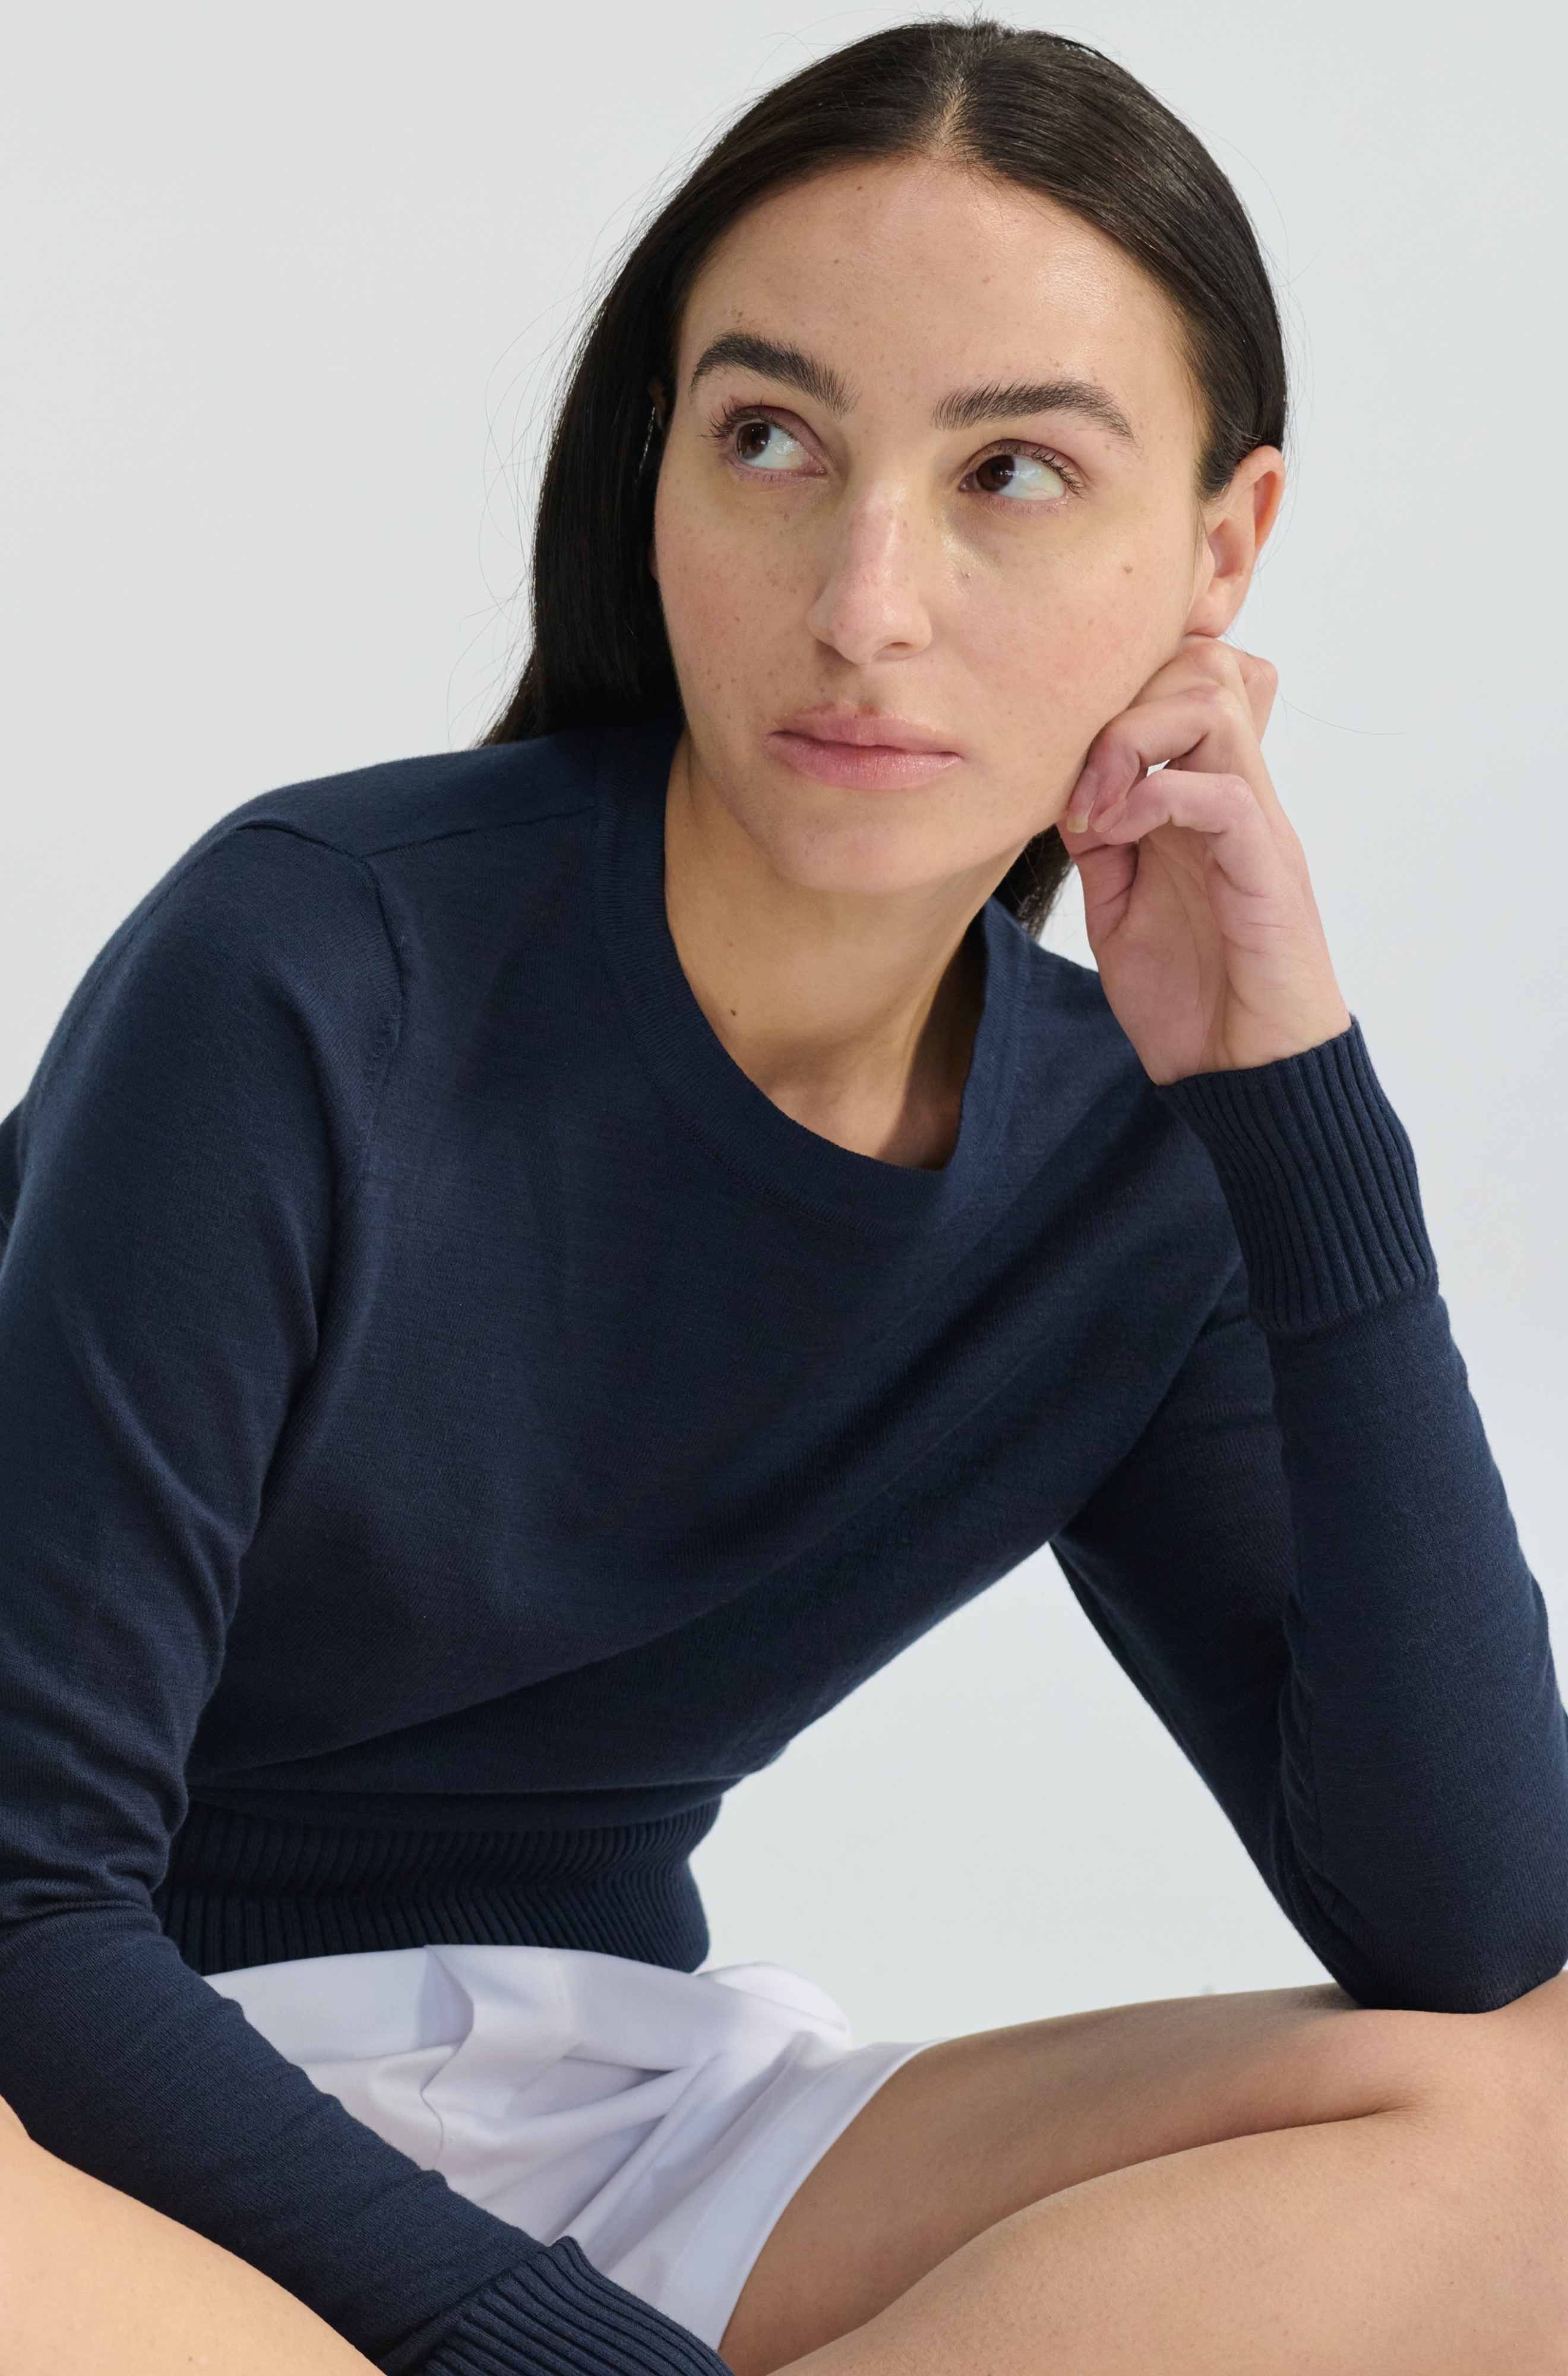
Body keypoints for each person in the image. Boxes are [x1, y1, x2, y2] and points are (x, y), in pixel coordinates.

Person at [4, 16, 1568, 2376]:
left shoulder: (1127, 1167)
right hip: (91, 2123)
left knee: (1538, 2121)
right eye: (770, 440)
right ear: (660, 474)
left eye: (1012, 472)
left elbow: (1473, 1919)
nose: (865, 600)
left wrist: (1295, 1101)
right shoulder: (315, 964)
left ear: (1222, 547)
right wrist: (533, 2349)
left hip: (615, 2107)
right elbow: (26, 1901)